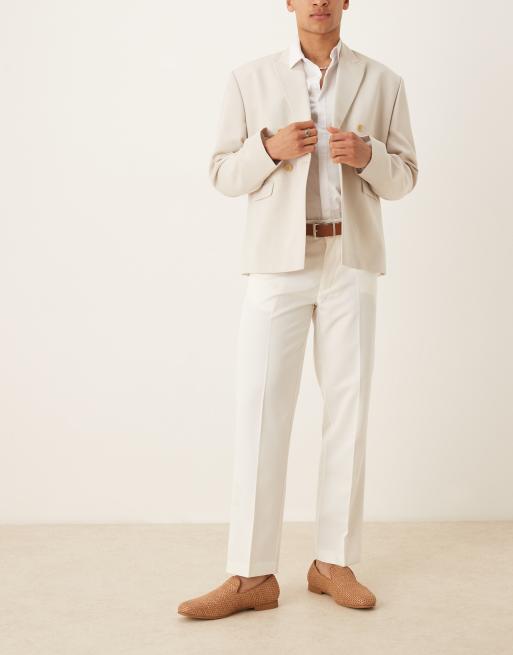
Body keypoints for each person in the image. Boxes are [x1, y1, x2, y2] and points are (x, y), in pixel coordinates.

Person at [178, 0, 418, 620]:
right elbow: (222, 174)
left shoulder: (384, 80)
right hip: (276, 263)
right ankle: (252, 574)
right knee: (261, 409)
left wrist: (368, 157)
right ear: (288, 2)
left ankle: (332, 562)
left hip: (350, 258)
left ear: (346, 2)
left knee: (349, 411)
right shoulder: (248, 79)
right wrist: (269, 149)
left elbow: (405, 177)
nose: (318, 2)